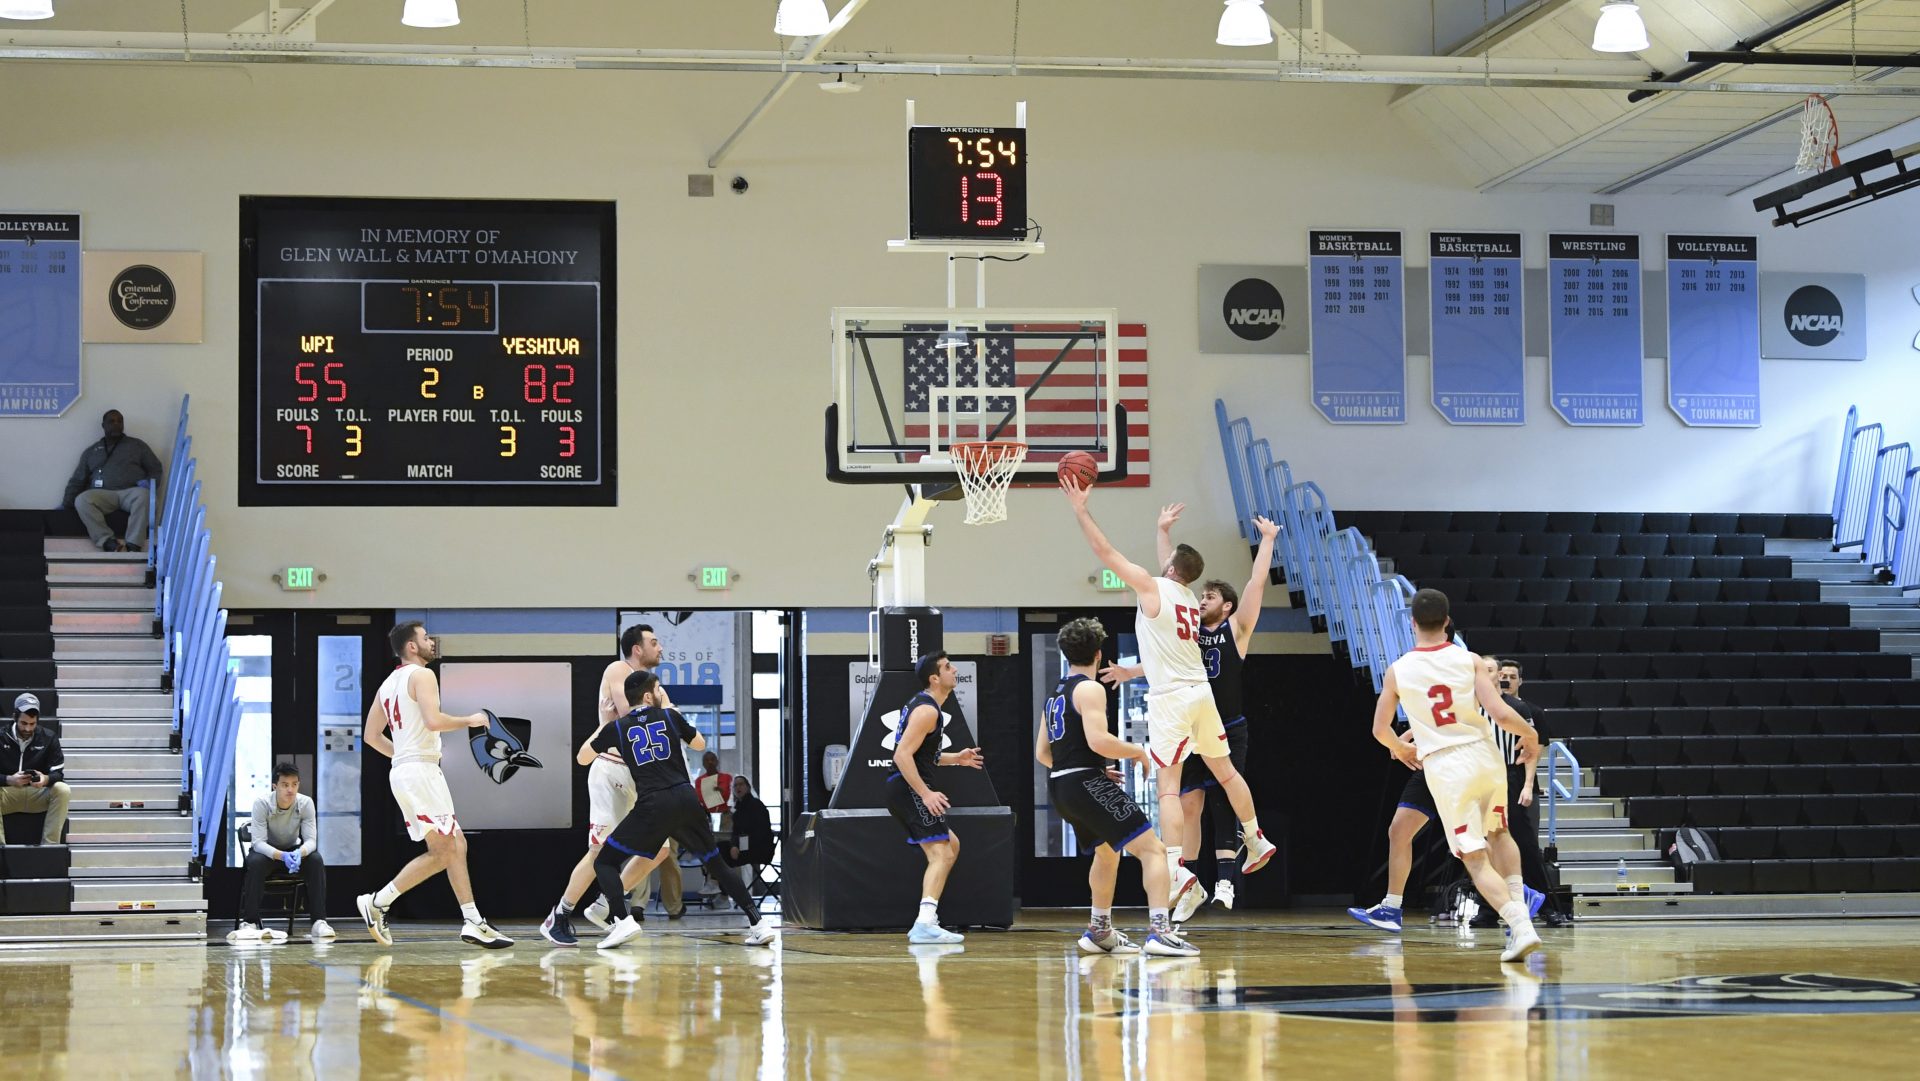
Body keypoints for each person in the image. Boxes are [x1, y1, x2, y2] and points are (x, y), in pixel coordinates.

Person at [1061, 480, 1276, 925]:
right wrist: (1162, 531)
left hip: (1172, 700)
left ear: (1170, 568)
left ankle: (1177, 868)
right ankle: (1255, 837)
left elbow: (1107, 553)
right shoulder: (1183, 598)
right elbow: (1172, 564)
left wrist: (1082, 511)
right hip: (1202, 696)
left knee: (1169, 788)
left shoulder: (1159, 588)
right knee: (1225, 772)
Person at [1369, 590, 1543, 965]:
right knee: (1500, 832)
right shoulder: (1471, 661)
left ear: (1411, 622)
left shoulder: (1399, 669)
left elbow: (1380, 729)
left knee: (1475, 858)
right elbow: (1498, 711)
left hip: (1448, 767)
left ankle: (1520, 924)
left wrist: (1401, 750)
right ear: (1448, 621)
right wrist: (1531, 738)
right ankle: (1519, 904)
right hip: (1486, 754)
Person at [1038, 618, 1198, 957]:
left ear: (1065, 654)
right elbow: (1098, 742)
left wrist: (1080, 772)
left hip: (1062, 786)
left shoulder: (1056, 693)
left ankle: (1099, 930)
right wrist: (1137, 751)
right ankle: (1159, 931)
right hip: (1083, 781)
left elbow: (1042, 752)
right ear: (1098, 654)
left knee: (1107, 852)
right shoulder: (1090, 689)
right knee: (1153, 849)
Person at [1350, 655, 1543, 933]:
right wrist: (1402, 742)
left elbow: (1489, 723)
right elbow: (1434, 723)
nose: (1490, 674)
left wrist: (1527, 773)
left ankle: (1518, 895)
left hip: (1470, 770)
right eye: (1486, 669)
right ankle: (1391, 907)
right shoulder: (1448, 683)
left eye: (1493, 671)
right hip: (1435, 766)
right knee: (1399, 829)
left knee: (1484, 840)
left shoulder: (1497, 701)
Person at [584, 669, 775, 950]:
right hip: (686, 800)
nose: (663, 693)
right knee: (716, 864)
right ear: (648, 695)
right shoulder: (670, 716)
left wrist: (605, 724)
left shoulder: (619, 727)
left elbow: (584, 756)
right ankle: (759, 924)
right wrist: (672, 713)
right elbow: (700, 744)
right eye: (659, 689)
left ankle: (622, 921)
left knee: (604, 862)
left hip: (653, 805)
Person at [355, 621, 513, 949]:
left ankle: (472, 920)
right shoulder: (423, 675)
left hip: (407, 769)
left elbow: (371, 736)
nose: (431, 642)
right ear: (411, 647)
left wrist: (403, 756)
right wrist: (470, 719)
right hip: (419, 772)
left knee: (456, 844)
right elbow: (433, 720)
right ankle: (378, 901)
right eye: (425, 638)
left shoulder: (387, 684)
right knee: (443, 851)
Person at [543, 624, 670, 946]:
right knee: (600, 850)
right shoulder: (618, 669)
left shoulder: (653, 684)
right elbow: (633, 715)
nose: (660, 647)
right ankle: (558, 915)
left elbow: (669, 719)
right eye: (654, 642)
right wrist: (659, 712)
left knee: (661, 849)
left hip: (640, 776)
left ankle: (601, 906)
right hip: (611, 769)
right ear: (637, 649)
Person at [886, 651, 985, 944]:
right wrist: (926, 793)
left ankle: (928, 918)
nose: (954, 670)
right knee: (941, 852)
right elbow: (901, 755)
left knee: (949, 845)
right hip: (907, 787)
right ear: (934, 678)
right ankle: (925, 923)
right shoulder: (927, 710)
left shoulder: (928, 708)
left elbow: (924, 755)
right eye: (947, 667)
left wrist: (958, 758)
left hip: (904, 786)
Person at [1495, 661, 1571, 928]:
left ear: (1520, 681)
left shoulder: (1530, 711)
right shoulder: (1480, 708)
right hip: (1489, 780)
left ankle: (1545, 905)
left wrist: (1528, 785)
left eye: (1510, 677)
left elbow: (1535, 750)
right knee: (1487, 846)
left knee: (1526, 845)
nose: (1505, 680)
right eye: (1501, 675)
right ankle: (1491, 907)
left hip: (1519, 783)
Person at [232, 763, 333, 943]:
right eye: (285, 785)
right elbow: (258, 843)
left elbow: (311, 841)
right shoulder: (261, 804)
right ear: (275, 786)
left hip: (294, 851)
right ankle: (250, 922)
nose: (290, 790)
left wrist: (299, 853)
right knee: (254, 862)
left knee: (316, 860)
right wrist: (281, 856)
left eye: (294, 784)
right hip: (268, 853)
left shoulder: (306, 803)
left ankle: (319, 921)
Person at [61, 409, 163, 553]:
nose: (116, 424)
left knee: (145, 496)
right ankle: (108, 542)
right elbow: (78, 479)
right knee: (82, 500)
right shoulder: (92, 451)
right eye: (112, 421)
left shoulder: (137, 445)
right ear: (103, 425)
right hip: (103, 495)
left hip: (131, 492)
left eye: (120, 421)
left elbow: (155, 469)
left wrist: (150, 482)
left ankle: (133, 545)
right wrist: (66, 504)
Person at [0, 693, 70, 845]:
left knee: (63, 789)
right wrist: (8, 779)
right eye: (23, 723)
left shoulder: (49, 737)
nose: (27, 728)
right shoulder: (1, 736)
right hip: (7, 794)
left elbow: (58, 773)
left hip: (37, 793)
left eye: (32, 724)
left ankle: (50, 846)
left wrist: (45, 779)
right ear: (14, 717)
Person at [724, 777, 774, 883]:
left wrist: (737, 845)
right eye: (735, 785)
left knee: (722, 854)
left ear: (748, 787)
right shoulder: (738, 809)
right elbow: (735, 832)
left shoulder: (756, 805)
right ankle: (719, 887)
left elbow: (760, 833)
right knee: (718, 850)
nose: (738, 787)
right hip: (744, 846)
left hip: (759, 849)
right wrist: (734, 845)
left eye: (741, 784)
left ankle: (727, 891)